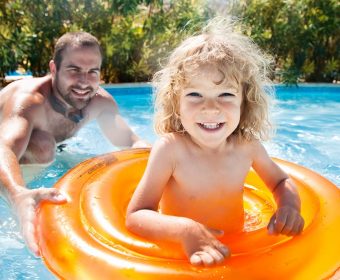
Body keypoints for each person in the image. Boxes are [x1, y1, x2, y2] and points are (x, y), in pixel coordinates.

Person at [126, 18, 304, 267]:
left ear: (245, 102)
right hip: (182, 256)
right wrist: (185, 230)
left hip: (238, 248)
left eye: (226, 95)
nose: (210, 108)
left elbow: (281, 181)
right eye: (195, 94)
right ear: (176, 103)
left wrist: (289, 207)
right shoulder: (171, 150)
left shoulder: (247, 147)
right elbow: (136, 216)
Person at [0, 31, 148, 256]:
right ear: (53, 69)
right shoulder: (30, 102)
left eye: (92, 72)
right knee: (43, 147)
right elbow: (4, 148)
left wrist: (159, 158)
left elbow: (129, 141)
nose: (84, 82)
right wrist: (18, 194)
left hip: (39, 149)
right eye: (74, 70)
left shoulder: (99, 102)